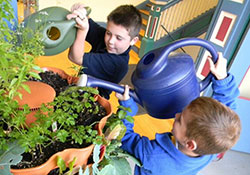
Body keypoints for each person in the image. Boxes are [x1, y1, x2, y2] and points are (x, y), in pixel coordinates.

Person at [115, 52, 241, 175]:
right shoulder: (212, 146)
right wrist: (222, 77)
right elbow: (228, 103)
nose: (176, 115)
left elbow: (124, 138)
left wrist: (127, 107)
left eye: (180, 120)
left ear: (190, 144)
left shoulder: (153, 154)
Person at [66, 3, 142, 99]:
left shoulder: (117, 63)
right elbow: (89, 24)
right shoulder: (107, 40)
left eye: (119, 38)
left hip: (92, 101)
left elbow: (75, 57)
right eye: (108, 33)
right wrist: (81, 13)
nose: (110, 41)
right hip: (80, 87)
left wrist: (82, 30)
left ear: (133, 40)